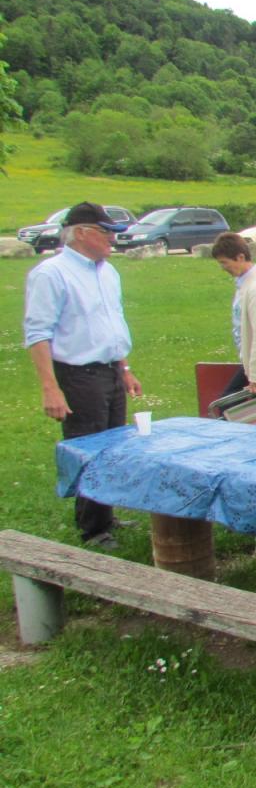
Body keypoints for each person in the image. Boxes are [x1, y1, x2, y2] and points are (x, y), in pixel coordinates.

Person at [23, 201, 143, 549]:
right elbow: (38, 333)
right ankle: (92, 528)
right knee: (88, 447)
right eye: (105, 233)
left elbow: (111, 323)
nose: (112, 240)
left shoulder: (107, 271)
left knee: (113, 445)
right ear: (80, 234)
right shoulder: (52, 273)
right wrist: (50, 387)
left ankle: (106, 512)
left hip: (109, 369)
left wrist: (125, 368)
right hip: (78, 374)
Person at [210, 232, 256, 398]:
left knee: (227, 405)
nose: (223, 268)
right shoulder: (246, 283)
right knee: (253, 411)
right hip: (252, 363)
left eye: (225, 263)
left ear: (241, 257)